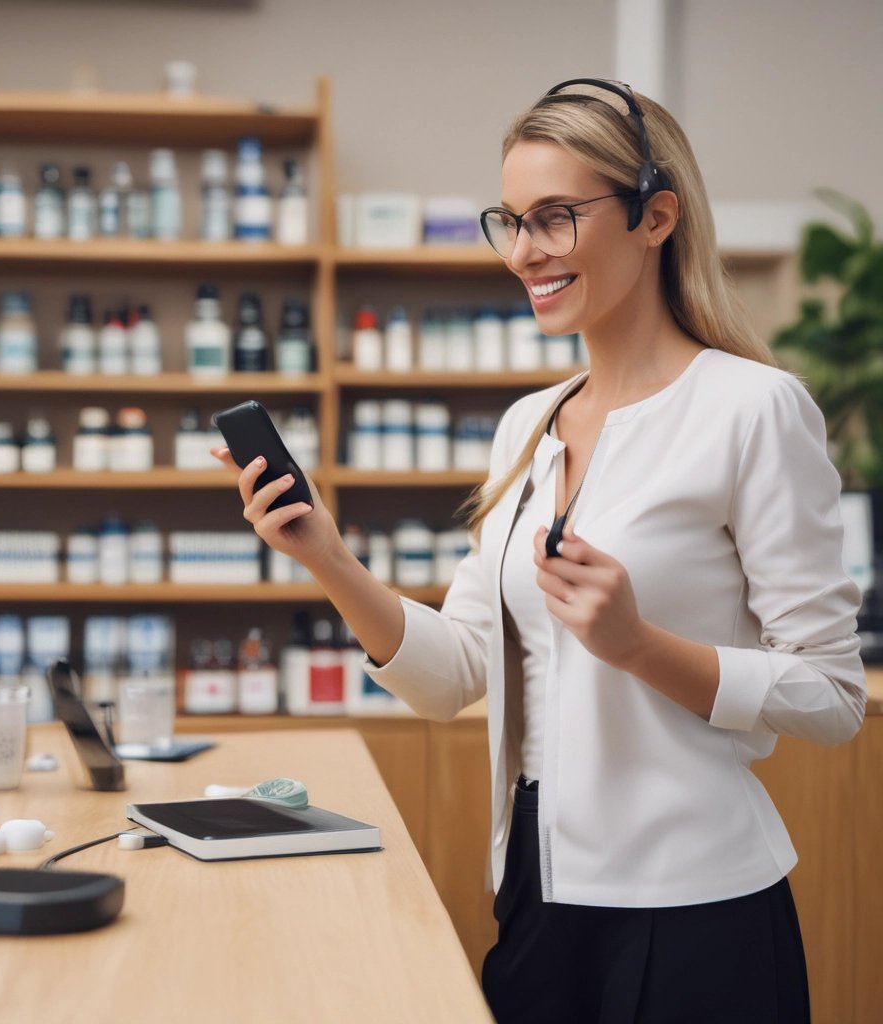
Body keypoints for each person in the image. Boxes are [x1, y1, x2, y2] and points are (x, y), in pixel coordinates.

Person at [212, 78, 866, 1023]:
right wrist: (325, 556)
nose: (524, 252)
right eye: (510, 221)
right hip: (536, 896)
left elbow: (835, 697)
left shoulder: (752, 409)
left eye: (555, 217)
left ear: (656, 216)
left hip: (694, 915)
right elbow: (455, 676)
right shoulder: (531, 423)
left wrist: (639, 645)